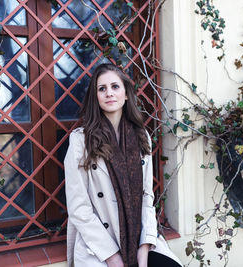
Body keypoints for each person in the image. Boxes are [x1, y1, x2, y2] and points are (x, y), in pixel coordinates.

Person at [64, 64, 182, 267]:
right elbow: (79, 208)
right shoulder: (80, 141)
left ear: (126, 94)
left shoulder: (141, 136)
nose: (109, 93)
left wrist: (143, 250)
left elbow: (147, 196)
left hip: (138, 237)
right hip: (99, 244)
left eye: (115, 86)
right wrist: (113, 257)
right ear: (96, 97)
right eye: (102, 89)